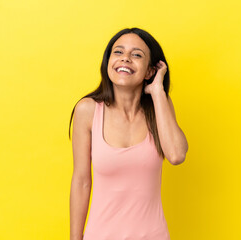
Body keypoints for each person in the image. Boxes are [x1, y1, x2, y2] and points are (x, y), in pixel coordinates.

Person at [69, 27, 188, 240]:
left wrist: (158, 92)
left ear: (150, 71)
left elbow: (177, 155)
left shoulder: (159, 107)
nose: (125, 59)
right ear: (108, 63)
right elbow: (81, 181)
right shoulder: (88, 110)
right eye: (118, 52)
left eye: (136, 55)